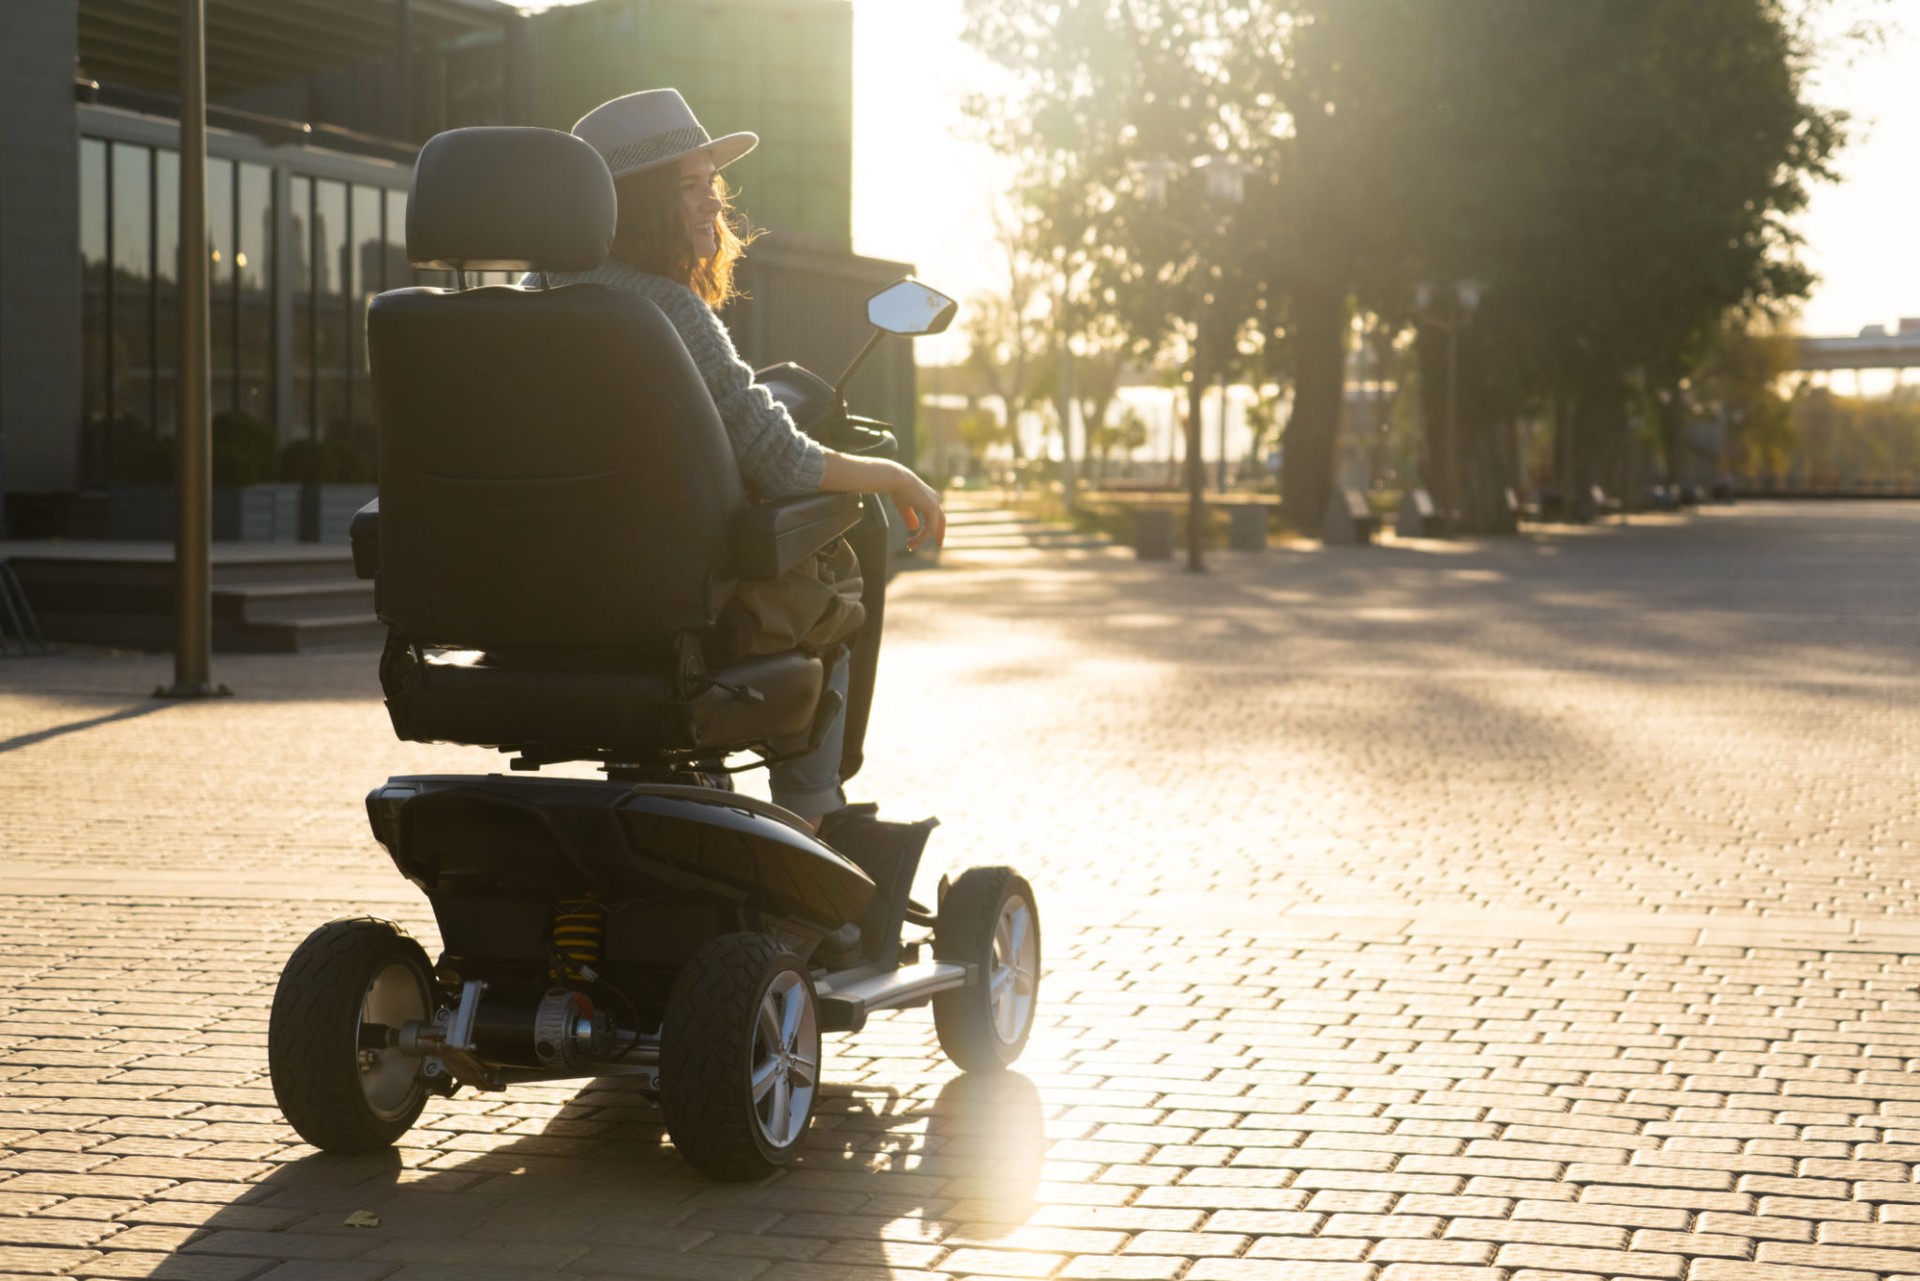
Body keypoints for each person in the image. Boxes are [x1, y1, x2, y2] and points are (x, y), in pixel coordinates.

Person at [561, 89, 943, 831]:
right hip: (666, 607)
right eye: (690, 185)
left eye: (714, 184)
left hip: (546, 606)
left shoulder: (516, 306)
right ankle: (810, 809)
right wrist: (894, 474)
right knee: (832, 588)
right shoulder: (665, 310)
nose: (714, 204)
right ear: (639, 200)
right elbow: (781, 461)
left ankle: (700, 789)